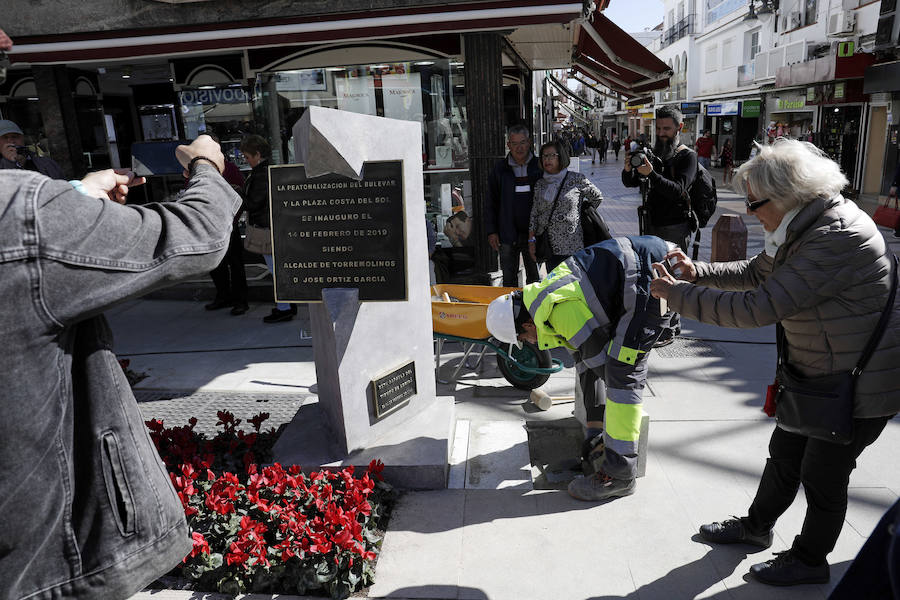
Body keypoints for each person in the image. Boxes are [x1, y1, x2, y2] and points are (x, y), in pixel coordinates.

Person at [649, 138, 900, 587]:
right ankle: (757, 526)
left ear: (787, 195)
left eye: (754, 203)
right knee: (785, 455)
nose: (749, 212)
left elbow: (760, 307)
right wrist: (697, 272)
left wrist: (679, 296)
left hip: (858, 386)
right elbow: (757, 273)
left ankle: (810, 559)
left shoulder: (833, 236)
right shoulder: (805, 224)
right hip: (820, 373)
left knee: (823, 475)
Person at [0, 136, 241, 600]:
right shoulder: (20, 210)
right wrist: (207, 165)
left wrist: (74, 197)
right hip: (44, 565)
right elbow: (196, 234)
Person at [486, 235, 676, 501]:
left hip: (650, 276)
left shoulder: (559, 312)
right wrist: (594, 430)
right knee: (614, 366)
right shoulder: (544, 301)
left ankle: (620, 475)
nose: (529, 343)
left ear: (527, 325)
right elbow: (586, 363)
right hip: (645, 266)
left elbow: (604, 369)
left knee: (622, 373)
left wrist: (605, 435)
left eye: (523, 338)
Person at [622, 104, 697, 257]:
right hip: (651, 224)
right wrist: (628, 170)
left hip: (675, 227)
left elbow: (677, 190)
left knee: (673, 269)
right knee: (652, 267)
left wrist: (652, 174)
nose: (661, 133)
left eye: (666, 129)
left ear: (679, 127)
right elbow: (632, 183)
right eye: (658, 128)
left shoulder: (688, 156)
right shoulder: (654, 154)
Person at [241, 134, 297, 323]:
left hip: (266, 228)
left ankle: (284, 308)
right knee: (278, 269)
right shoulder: (268, 170)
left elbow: (253, 203)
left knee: (276, 271)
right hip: (273, 226)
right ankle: (288, 305)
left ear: (257, 154)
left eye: (247, 157)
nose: (246, 160)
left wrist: (237, 193)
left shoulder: (261, 174)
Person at [527, 140, 603, 272]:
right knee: (554, 282)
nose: (547, 159)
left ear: (561, 157)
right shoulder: (540, 184)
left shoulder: (576, 179)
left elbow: (597, 197)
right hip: (549, 246)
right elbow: (534, 213)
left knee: (572, 282)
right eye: (544, 156)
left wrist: (580, 213)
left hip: (572, 244)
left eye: (552, 155)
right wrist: (531, 240)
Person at [484, 125, 542, 287]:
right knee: (509, 280)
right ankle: (512, 304)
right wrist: (491, 231)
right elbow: (491, 201)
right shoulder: (500, 169)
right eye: (514, 143)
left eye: (522, 142)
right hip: (507, 232)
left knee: (535, 279)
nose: (519, 148)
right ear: (508, 145)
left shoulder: (539, 166)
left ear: (529, 142)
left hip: (533, 233)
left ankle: (533, 304)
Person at [203, 134, 249, 315]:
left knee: (235, 264)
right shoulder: (196, 170)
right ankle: (223, 296)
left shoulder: (229, 168)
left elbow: (241, 194)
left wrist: (234, 218)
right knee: (215, 264)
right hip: (208, 223)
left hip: (228, 223)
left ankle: (240, 300)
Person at [0, 119, 64, 179]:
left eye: (15, 136)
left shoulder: (47, 163)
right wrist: (9, 163)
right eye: (5, 138)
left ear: (23, 139)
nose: (11, 141)